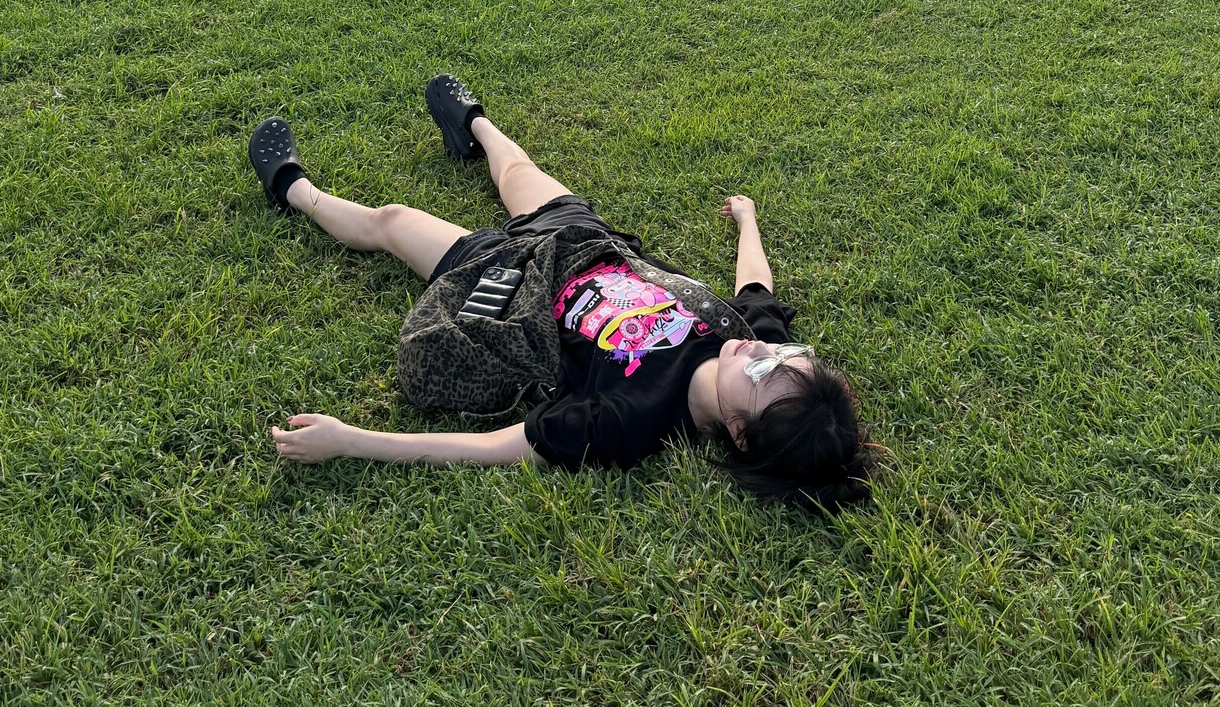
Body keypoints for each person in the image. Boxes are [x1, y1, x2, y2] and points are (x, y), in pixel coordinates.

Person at [254, 76, 877, 513]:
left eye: (765, 373)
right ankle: (473, 125)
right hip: (583, 246)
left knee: (393, 222)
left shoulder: (631, 420)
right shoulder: (745, 339)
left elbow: (498, 447)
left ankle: (294, 190)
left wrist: (351, 440)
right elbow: (756, 288)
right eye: (788, 354)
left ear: (738, 433)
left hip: (509, 285)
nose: (762, 351)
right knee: (518, 171)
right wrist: (748, 220)